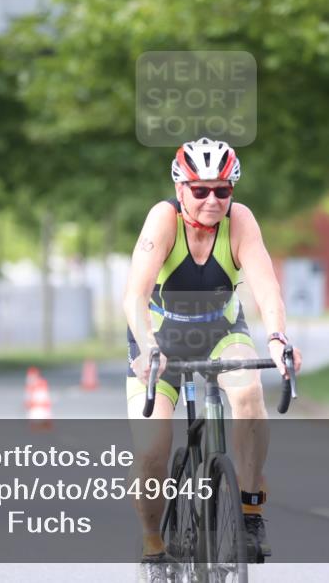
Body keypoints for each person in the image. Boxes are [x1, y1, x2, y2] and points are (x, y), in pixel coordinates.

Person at [123, 137, 303, 571]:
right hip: (161, 339)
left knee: (248, 393)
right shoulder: (163, 220)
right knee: (152, 450)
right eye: (200, 190)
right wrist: (148, 349)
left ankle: (249, 510)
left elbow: (266, 288)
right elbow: (135, 295)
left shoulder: (240, 221)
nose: (211, 200)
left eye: (222, 190)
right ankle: (152, 541)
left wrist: (278, 339)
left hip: (221, 331)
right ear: (181, 188)